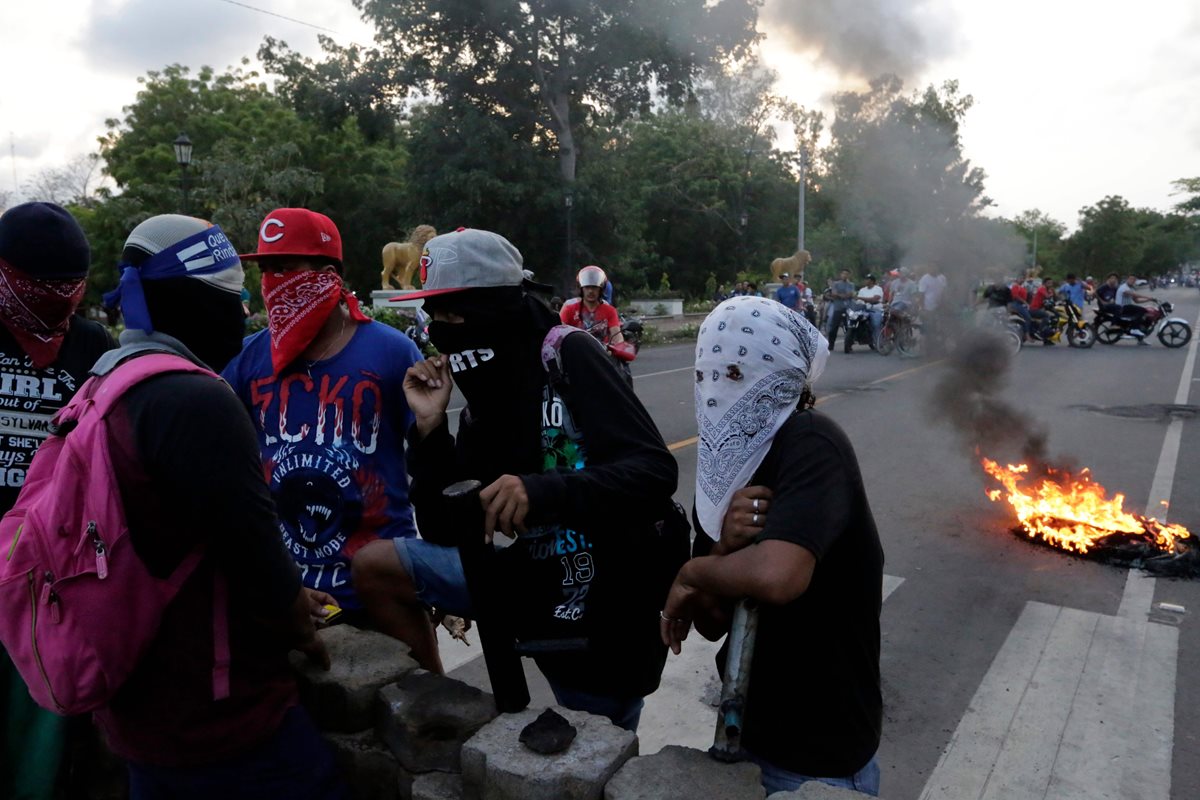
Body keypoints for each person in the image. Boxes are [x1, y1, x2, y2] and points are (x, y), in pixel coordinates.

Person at [351, 228, 684, 731]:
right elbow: (445, 526)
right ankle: (435, 711)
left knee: (593, 738)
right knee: (380, 563)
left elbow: (655, 470)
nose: (444, 330)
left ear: (497, 305)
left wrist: (540, 490)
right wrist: (430, 427)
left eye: (455, 313)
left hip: (604, 591)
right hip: (528, 575)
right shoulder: (483, 399)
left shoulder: (568, 354)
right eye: (434, 316)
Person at [96, 214, 344, 798]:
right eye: (230, 298)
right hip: (215, 707)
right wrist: (298, 622)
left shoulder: (109, 377)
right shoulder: (194, 399)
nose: (242, 314)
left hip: (132, 691)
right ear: (189, 302)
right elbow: (251, 541)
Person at [662, 297, 882, 796]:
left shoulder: (811, 440)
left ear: (783, 374)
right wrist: (722, 553)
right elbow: (712, 622)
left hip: (821, 750)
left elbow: (778, 577)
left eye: (738, 371)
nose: (717, 388)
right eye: (706, 374)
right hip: (747, 731)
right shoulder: (724, 468)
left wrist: (691, 573)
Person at [222, 209, 423, 615]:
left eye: (285, 267)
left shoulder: (391, 351)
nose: (273, 282)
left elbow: (430, 460)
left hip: (379, 582)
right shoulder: (245, 359)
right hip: (290, 590)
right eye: (266, 270)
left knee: (419, 679)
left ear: (328, 273)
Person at [0, 203, 116, 800]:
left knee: (44, 723)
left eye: (68, 285)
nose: (56, 298)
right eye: (38, 285)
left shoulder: (92, 344)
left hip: (50, 572)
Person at [559, 265, 624, 345]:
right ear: (581, 288)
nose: (590, 291)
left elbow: (617, 336)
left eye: (594, 287)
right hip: (575, 353)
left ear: (601, 289)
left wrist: (620, 346)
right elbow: (558, 334)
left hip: (601, 354)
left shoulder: (610, 311)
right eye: (587, 287)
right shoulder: (569, 308)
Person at [1115, 274, 1154, 343]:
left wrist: (1149, 300)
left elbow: (1137, 300)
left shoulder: (1131, 288)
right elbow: (1134, 295)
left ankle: (1140, 339)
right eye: (1131, 279)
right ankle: (1134, 328)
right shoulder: (1124, 287)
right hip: (1122, 307)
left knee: (1145, 312)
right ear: (1127, 279)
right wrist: (1148, 297)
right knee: (1142, 310)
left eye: (1134, 279)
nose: (1132, 281)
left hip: (1128, 307)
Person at [824, 269, 856, 349]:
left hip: (849, 308)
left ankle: (849, 343)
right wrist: (843, 295)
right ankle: (831, 344)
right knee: (834, 326)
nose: (845, 275)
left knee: (849, 326)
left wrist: (840, 295)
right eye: (843, 274)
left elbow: (851, 294)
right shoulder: (836, 284)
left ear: (849, 275)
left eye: (846, 274)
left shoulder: (851, 284)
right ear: (840, 275)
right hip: (838, 307)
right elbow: (834, 294)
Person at [855, 274, 885, 344]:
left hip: (875, 310)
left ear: (872, 281)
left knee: (876, 324)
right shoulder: (862, 290)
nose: (865, 281)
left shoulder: (878, 289)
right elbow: (858, 301)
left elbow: (874, 299)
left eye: (867, 279)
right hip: (864, 310)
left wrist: (861, 298)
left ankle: (879, 342)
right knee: (855, 320)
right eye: (865, 279)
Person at [1028, 277, 1057, 345]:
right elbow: (1047, 296)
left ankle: (1047, 339)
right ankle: (1039, 331)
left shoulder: (1048, 290)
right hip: (1034, 309)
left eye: (1051, 283)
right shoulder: (1042, 288)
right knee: (1046, 316)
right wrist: (1052, 292)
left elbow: (1054, 298)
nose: (1050, 284)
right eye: (1048, 283)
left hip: (1039, 309)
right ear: (1044, 283)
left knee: (1052, 318)